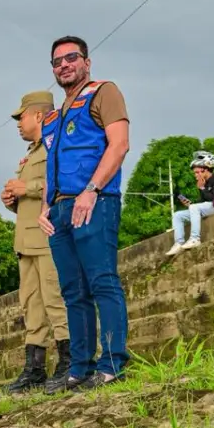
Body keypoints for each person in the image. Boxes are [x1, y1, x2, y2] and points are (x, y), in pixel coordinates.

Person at [37, 35, 132, 393]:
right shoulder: (53, 117)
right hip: (60, 211)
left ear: (86, 62)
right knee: (72, 291)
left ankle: (111, 364)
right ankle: (79, 367)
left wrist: (91, 191)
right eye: (57, 61)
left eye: (71, 58)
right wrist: (46, 206)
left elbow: (119, 144)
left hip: (94, 201)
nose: (64, 65)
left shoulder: (103, 92)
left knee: (101, 280)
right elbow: (53, 164)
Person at [1, 90, 71, 393]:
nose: (18, 122)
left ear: (39, 115)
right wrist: (12, 199)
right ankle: (35, 368)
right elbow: (31, 196)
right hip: (26, 241)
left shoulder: (56, 145)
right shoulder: (32, 153)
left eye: (22, 116)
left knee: (55, 300)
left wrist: (25, 187)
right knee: (31, 306)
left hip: (47, 236)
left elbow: (63, 181)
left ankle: (69, 361)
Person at [166, 150, 214, 255]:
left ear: (205, 170)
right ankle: (178, 243)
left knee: (194, 207)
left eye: (197, 172)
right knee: (178, 215)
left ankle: (195, 238)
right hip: (210, 207)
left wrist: (202, 188)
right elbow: (203, 202)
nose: (195, 175)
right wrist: (190, 204)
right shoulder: (204, 183)